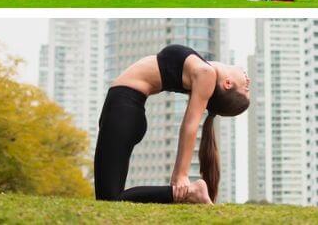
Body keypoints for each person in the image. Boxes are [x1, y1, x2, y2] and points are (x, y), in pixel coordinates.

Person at [94, 45, 250, 205]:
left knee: (108, 199)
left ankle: (192, 192)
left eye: (246, 87)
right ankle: (186, 193)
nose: (248, 80)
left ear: (228, 84)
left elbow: (190, 125)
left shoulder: (205, 73)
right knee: (108, 197)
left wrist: (181, 174)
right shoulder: (203, 70)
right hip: (123, 110)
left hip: (123, 111)